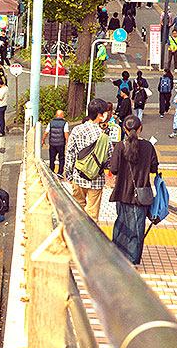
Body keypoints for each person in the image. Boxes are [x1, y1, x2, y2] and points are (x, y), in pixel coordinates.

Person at [110, 115, 159, 264]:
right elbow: (153, 168)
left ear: (124, 129)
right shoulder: (148, 146)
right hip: (141, 194)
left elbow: (114, 169)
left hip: (122, 193)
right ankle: (132, 258)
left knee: (121, 224)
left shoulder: (120, 146)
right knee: (137, 227)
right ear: (140, 129)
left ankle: (117, 255)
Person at [64, 98, 112, 223]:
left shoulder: (77, 130)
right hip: (96, 178)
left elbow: (70, 154)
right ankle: (91, 239)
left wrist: (69, 175)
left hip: (79, 176)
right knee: (93, 214)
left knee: (77, 210)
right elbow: (109, 156)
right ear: (100, 116)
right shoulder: (104, 133)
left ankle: (76, 237)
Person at [42, 109, 69, 176]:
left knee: (52, 158)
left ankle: (51, 171)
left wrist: (43, 140)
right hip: (61, 144)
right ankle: (60, 172)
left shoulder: (51, 123)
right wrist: (69, 143)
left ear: (56, 115)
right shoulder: (65, 123)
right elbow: (66, 134)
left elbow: (46, 133)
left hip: (52, 144)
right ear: (62, 115)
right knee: (61, 158)